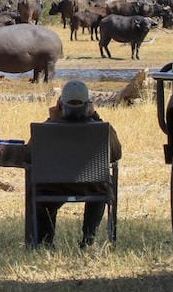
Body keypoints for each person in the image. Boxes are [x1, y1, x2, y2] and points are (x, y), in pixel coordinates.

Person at [34, 80, 122, 248]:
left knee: (40, 192)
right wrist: (96, 117)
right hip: (91, 186)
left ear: (61, 104)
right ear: (89, 105)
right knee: (102, 183)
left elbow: (29, 155)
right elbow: (116, 153)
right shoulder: (102, 129)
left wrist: (52, 117)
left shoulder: (46, 129)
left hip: (53, 187)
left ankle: (45, 240)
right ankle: (89, 237)